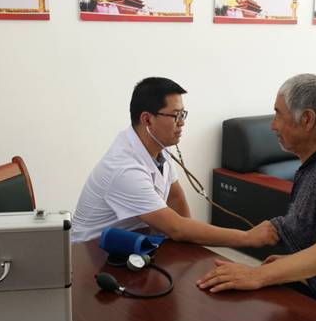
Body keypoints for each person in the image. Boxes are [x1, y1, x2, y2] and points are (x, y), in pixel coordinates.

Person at [197, 74, 316, 316]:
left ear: (307, 119)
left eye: (278, 114)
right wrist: (264, 234)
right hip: (310, 285)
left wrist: (258, 275)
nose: (273, 125)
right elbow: (300, 222)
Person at [72, 76, 278, 250]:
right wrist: (246, 237)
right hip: (91, 255)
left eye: (183, 114)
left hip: (134, 242)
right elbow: (176, 228)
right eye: (175, 115)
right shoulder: (124, 169)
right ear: (147, 120)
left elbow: (175, 196)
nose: (182, 122)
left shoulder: (159, 146)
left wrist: (190, 244)